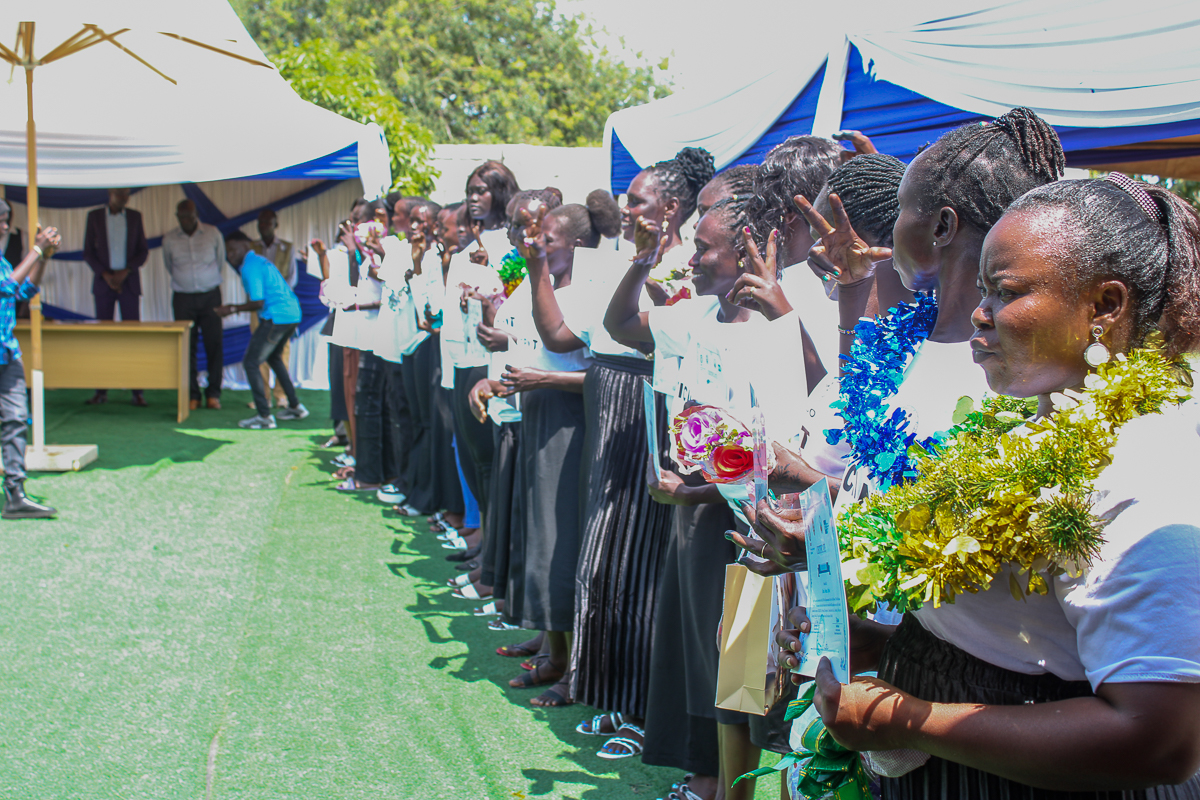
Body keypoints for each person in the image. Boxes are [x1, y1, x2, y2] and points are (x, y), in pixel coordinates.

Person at [780, 175, 1200, 800]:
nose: (978, 312)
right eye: (982, 289)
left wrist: (908, 719)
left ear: (1105, 306)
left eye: (1004, 292)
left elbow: (1158, 739)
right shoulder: (1031, 418)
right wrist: (899, 643)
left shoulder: (1143, 468)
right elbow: (1037, 637)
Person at [0, 198, 59, 519]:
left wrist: (45, 258)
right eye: (1, 219)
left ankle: (15, 494)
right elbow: (6, 288)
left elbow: (24, 291)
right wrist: (36, 250)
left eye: (7, 218)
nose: (6, 225)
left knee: (16, 420)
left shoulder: (4, 260)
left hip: (6, 353)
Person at [216, 231, 307, 430]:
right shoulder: (259, 261)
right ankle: (295, 406)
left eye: (232, 250)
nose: (230, 255)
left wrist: (231, 309)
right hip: (291, 314)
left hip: (277, 315)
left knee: (251, 362)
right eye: (227, 252)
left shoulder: (249, 266)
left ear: (246, 245)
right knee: (274, 358)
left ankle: (264, 415)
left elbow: (257, 302)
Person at [82, 188, 150, 406]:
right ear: (110, 193)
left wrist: (125, 272)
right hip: (104, 284)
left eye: (127, 194)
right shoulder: (94, 217)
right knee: (103, 338)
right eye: (120, 193)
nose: (124, 197)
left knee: (133, 337)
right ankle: (101, 391)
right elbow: (88, 253)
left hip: (128, 283)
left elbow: (143, 251)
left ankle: (137, 391)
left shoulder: (135, 216)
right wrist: (106, 275)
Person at [162, 199, 225, 411]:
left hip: (210, 296)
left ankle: (213, 394)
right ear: (177, 217)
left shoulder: (212, 233)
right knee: (186, 347)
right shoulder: (170, 238)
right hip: (183, 296)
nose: (185, 220)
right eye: (181, 217)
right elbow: (169, 265)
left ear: (196, 214)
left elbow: (220, 260)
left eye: (189, 216)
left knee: (214, 344)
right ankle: (193, 395)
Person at [249, 209, 296, 410]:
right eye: (261, 223)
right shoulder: (251, 248)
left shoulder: (287, 247)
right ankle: (263, 396)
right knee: (258, 351)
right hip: (259, 307)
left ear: (275, 225)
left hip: (281, 308)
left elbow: (292, 277)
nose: (264, 227)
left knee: (281, 351)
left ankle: (281, 395)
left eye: (268, 223)